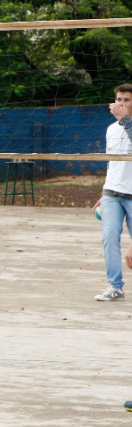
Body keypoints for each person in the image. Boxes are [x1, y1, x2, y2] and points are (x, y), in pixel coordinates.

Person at [93, 84, 132, 301]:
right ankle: (115, 287)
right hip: (112, 193)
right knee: (109, 239)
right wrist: (104, 192)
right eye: (119, 99)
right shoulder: (111, 129)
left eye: (126, 100)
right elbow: (112, 164)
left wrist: (126, 120)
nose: (121, 103)